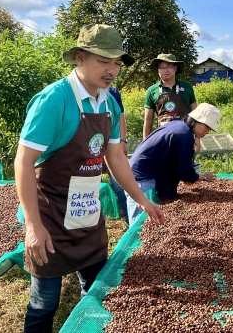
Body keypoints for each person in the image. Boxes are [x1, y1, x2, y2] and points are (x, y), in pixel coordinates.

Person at [14, 24, 164, 333]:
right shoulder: (55, 100)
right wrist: (33, 226)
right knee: (45, 302)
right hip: (50, 216)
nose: (112, 70)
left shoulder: (108, 102)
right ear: (80, 58)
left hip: (86, 212)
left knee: (95, 291)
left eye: (117, 62)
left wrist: (141, 199)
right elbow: (23, 162)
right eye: (104, 61)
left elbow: (115, 157)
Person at [125, 103, 221, 226]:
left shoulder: (179, 126)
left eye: (210, 129)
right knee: (142, 226)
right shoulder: (184, 136)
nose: (207, 131)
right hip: (141, 178)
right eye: (206, 126)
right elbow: (185, 172)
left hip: (142, 173)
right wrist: (203, 177)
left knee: (150, 224)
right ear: (196, 120)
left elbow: (175, 163)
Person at [143, 53, 198, 139]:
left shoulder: (187, 87)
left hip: (185, 137)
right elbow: (148, 120)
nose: (165, 70)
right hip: (163, 138)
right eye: (161, 67)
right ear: (158, 70)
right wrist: (145, 144)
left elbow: (196, 115)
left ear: (175, 68)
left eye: (168, 66)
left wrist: (197, 139)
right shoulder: (152, 91)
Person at [106, 86, 129, 224]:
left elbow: (120, 117)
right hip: (90, 147)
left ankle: (128, 220)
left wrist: (123, 140)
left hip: (113, 144)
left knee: (120, 184)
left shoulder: (113, 92)